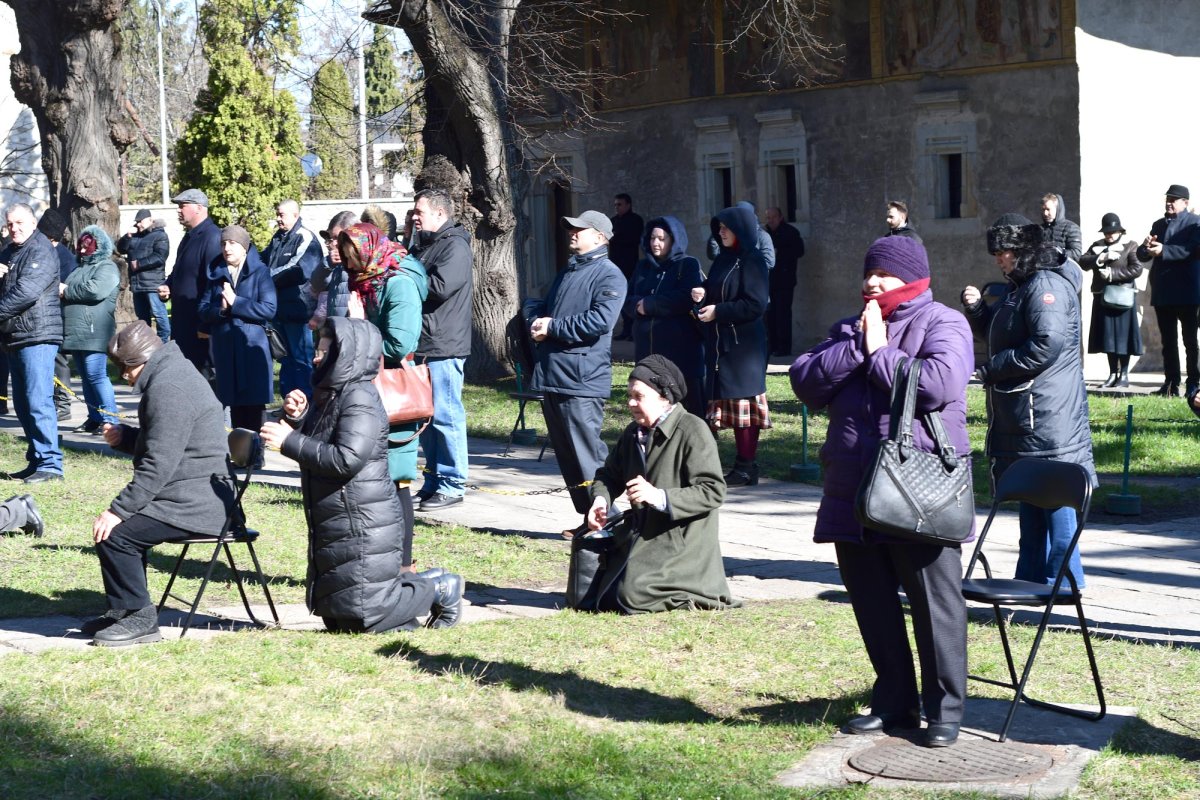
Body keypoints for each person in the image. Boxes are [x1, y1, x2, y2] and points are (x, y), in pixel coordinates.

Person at [790, 235, 973, 749]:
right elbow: (805, 381)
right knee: (872, 602)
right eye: (868, 273)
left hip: (918, 488)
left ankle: (946, 709)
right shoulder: (851, 326)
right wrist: (858, 343)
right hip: (853, 485)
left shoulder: (943, 322)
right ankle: (895, 701)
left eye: (884, 275)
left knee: (934, 603)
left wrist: (879, 350)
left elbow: (937, 384)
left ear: (913, 276)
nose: (872, 282)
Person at [260, 317, 465, 632]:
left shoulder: (359, 398)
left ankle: (441, 588)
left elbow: (347, 459)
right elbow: (323, 442)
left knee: (367, 616)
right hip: (337, 515)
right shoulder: (330, 394)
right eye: (317, 349)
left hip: (363, 519)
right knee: (341, 619)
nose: (316, 356)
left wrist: (289, 441)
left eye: (324, 350)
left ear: (345, 356)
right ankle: (425, 587)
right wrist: (298, 418)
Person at [961, 214, 1096, 591]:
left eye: (1004, 252)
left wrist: (992, 370)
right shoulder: (1022, 286)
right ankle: (1030, 581)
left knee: (1056, 502)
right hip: (1028, 414)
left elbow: (1044, 344)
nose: (998, 260)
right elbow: (1004, 333)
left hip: (1049, 416)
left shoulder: (1045, 285)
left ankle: (1064, 585)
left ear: (1022, 251)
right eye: (997, 253)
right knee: (1033, 501)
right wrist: (976, 311)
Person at [87, 321, 237, 646]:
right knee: (119, 531)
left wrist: (117, 510)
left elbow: (158, 464)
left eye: (125, 367)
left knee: (115, 535)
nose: (123, 375)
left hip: (197, 503)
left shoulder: (170, 388)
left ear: (142, 359)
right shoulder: (169, 375)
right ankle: (122, 612)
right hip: (188, 492)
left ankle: (140, 618)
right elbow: (167, 443)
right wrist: (127, 438)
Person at [587, 355, 738, 613]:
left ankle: (695, 591)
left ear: (664, 397)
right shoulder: (632, 433)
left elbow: (713, 491)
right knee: (600, 594)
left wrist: (659, 497)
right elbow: (609, 475)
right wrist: (600, 501)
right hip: (641, 534)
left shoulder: (693, 429)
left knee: (629, 596)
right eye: (629, 395)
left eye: (639, 396)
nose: (631, 403)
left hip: (681, 542)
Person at [523, 209, 627, 539]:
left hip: (582, 380)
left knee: (587, 455)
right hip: (555, 374)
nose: (572, 232)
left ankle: (608, 518)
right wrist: (537, 317)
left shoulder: (610, 275)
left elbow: (600, 321)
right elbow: (551, 309)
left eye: (579, 229)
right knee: (568, 456)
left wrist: (553, 327)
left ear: (599, 237)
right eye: (571, 228)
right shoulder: (570, 270)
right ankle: (589, 517)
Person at [338, 221, 427, 571]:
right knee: (374, 483)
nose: (349, 264)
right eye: (346, 257)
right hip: (368, 390)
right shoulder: (368, 282)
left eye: (354, 256)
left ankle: (403, 566)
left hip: (394, 396)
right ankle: (377, 563)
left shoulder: (399, 283)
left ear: (371, 250)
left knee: (396, 481)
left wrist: (359, 326)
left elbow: (400, 344)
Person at [692, 204, 770, 487]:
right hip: (719, 344)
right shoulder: (724, 259)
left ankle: (747, 467)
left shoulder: (753, 260)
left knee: (743, 406)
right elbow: (718, 291)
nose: (721, 232)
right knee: (723, 404)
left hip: (743, 347)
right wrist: (702, 293)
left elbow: (756, 304)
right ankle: (717, 465)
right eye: (720, 228)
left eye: (726, 228)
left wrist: (719, 311)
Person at [408, 188, 472, 511]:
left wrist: (406, 274)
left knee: (446, 416)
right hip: (425, 346)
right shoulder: (425, 246)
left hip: (445, 346)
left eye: (419, 211)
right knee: (427, 420)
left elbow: (439, 287)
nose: (414, 216)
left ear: (439, 213)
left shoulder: (455, 247)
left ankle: (452, 483)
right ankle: (433, 480)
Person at [0, 203, 65, 484]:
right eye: (9, 223)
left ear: (33, 222)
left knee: (38, 400)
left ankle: (51, 465)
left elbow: (25, 292)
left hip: (38, 334)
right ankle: (37, 460)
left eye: (19, 222)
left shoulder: (40, 249)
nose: (14, 228)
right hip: (16, 335)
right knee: (24, 403)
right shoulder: (10, 251)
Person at [198, 225, 277, 434]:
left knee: (254, 403)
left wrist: (237, 302)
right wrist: (222, 312)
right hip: (226, 347)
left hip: (252, 346)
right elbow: (203, 309)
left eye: (232, 243)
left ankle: (256, 454)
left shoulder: (260, 272)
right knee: (233, 402)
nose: (227, 248)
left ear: (244, 247)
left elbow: (269, 309)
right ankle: (240, 454)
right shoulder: (215, 273)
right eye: (223, 243)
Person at [626, 215, 705, 417]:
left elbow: (685, 297)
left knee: (686, 402)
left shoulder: (687, 264)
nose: (655, 243)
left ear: (673, 239)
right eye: (652, 238)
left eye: (661, 238)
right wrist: (637, 305)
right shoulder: (643, 267)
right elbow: (628, 298)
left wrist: (650, 304)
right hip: (647, 347)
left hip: (680, 348)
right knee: (651, 399)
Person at [1136, 184, 1200, 397]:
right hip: (1163, 291)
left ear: (1185, 203)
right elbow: (1143, 255)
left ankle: (1194, 384)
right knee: (1168, 342)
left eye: (1174, 199)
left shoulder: (1195, 223)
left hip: (1188, 292)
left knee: (1190, 341)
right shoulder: (1158, 224)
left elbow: (1192, 249)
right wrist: (1145, 248)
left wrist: (1164, 249)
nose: (1169, 202)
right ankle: (1171, 384)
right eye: (1168, 198)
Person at [61, 225, 120, 434]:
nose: (83, 248)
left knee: (96, 376)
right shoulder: (78, 269)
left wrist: (66, 291)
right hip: (76, 332)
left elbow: (95, 290)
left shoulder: (107, 267)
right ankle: (94, 417)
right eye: (81, 243)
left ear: (99, 245)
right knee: (86, 378)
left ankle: (110, 419)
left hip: (95, 332)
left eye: (88, 243)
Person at [263, 199, 323, 401]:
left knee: (302, 360)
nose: (278, 219)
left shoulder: (305, 237)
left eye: (282, 215)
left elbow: (299, 269)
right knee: (285, 360)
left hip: (299, 311)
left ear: (295, 215)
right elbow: (263, 260)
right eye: (277, 214)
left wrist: (266, 279)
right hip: (279, 310)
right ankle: (288, 406)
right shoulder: (278, 238)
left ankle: (307, 405)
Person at [159, 188, 221, 375]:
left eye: (183, 206)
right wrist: (167, 286)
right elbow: (178, 270)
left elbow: (215, 283)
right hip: (183, 323)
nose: (178, 210)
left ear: (199, 208)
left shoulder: (212, 237)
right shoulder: (188, 237)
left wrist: (206, 325)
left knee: (204, 378)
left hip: (199, 327)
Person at [1079, 212, 1143, 388]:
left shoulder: (1130, 246)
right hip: (1102, 297)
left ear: (1120, 231)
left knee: (1123, 338)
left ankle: (1123, 374)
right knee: (1108, 339)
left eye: (1113, 232)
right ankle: (1112, 373)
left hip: (1123, 298)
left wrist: (1113, 274)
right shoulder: (1097, 246)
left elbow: (1136, 269)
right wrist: (1100, 258)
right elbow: (1082, 261)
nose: (1110, 235)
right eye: (1107, 232)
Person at [37, 209, 76, 422]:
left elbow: (66, 287)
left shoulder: (64, 257)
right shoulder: (37, 250)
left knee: (58, 361)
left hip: (56, 316)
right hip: (39, 318)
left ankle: (63, 404)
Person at [116, 208, 171, 343]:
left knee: (159, 315)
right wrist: (127, 236)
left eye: (141, 221)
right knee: (142, 318)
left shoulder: (160, 236)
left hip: (153, 284)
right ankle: (147, 344)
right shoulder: (135, 235)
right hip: (137, 284)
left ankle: (164, 343)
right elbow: (120, 249)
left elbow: (160, 256)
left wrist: (139, 264)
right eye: (137, 221)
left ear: (150, 220)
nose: (138, 224)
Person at [765, 206, 805, 356]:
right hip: (770, 280)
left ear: (780, 217)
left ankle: (784, 347)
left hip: (785, 279)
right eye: (768, 218)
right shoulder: (765, 233)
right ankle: (772, 346)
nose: (770, 221)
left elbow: (799, 251)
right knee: (770, 315)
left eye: (773, 217)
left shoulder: (791, 232)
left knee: (783, 314)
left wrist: (780, 252)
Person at [310, 210, 357, 330]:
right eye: (332, 238)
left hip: (353, 326)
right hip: (335, 326)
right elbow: (316, 285)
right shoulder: (332, 260)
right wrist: (327, 264)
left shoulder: (361, 261)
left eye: (338, 237)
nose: (334, 243)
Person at [609, 193, 644, 340]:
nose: (617, 207)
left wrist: (617, 237)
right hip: (615, 264)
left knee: (631, 295)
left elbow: (633, 238)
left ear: (628, 205)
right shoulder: (613, 221)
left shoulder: (635, 220)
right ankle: (626, 329)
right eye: (615, 204)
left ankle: (633, 330)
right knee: (620, 297)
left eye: (620, 204)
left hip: (630, 264)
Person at [1040, 192, 1083, 263]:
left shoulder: (1071, 228)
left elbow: (1076, 254)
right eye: (1043, 209)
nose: (1045, 213)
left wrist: (1055, 253)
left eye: (1048, 209)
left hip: (1064, 269)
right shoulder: (1039, 229)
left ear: (1057, 209)